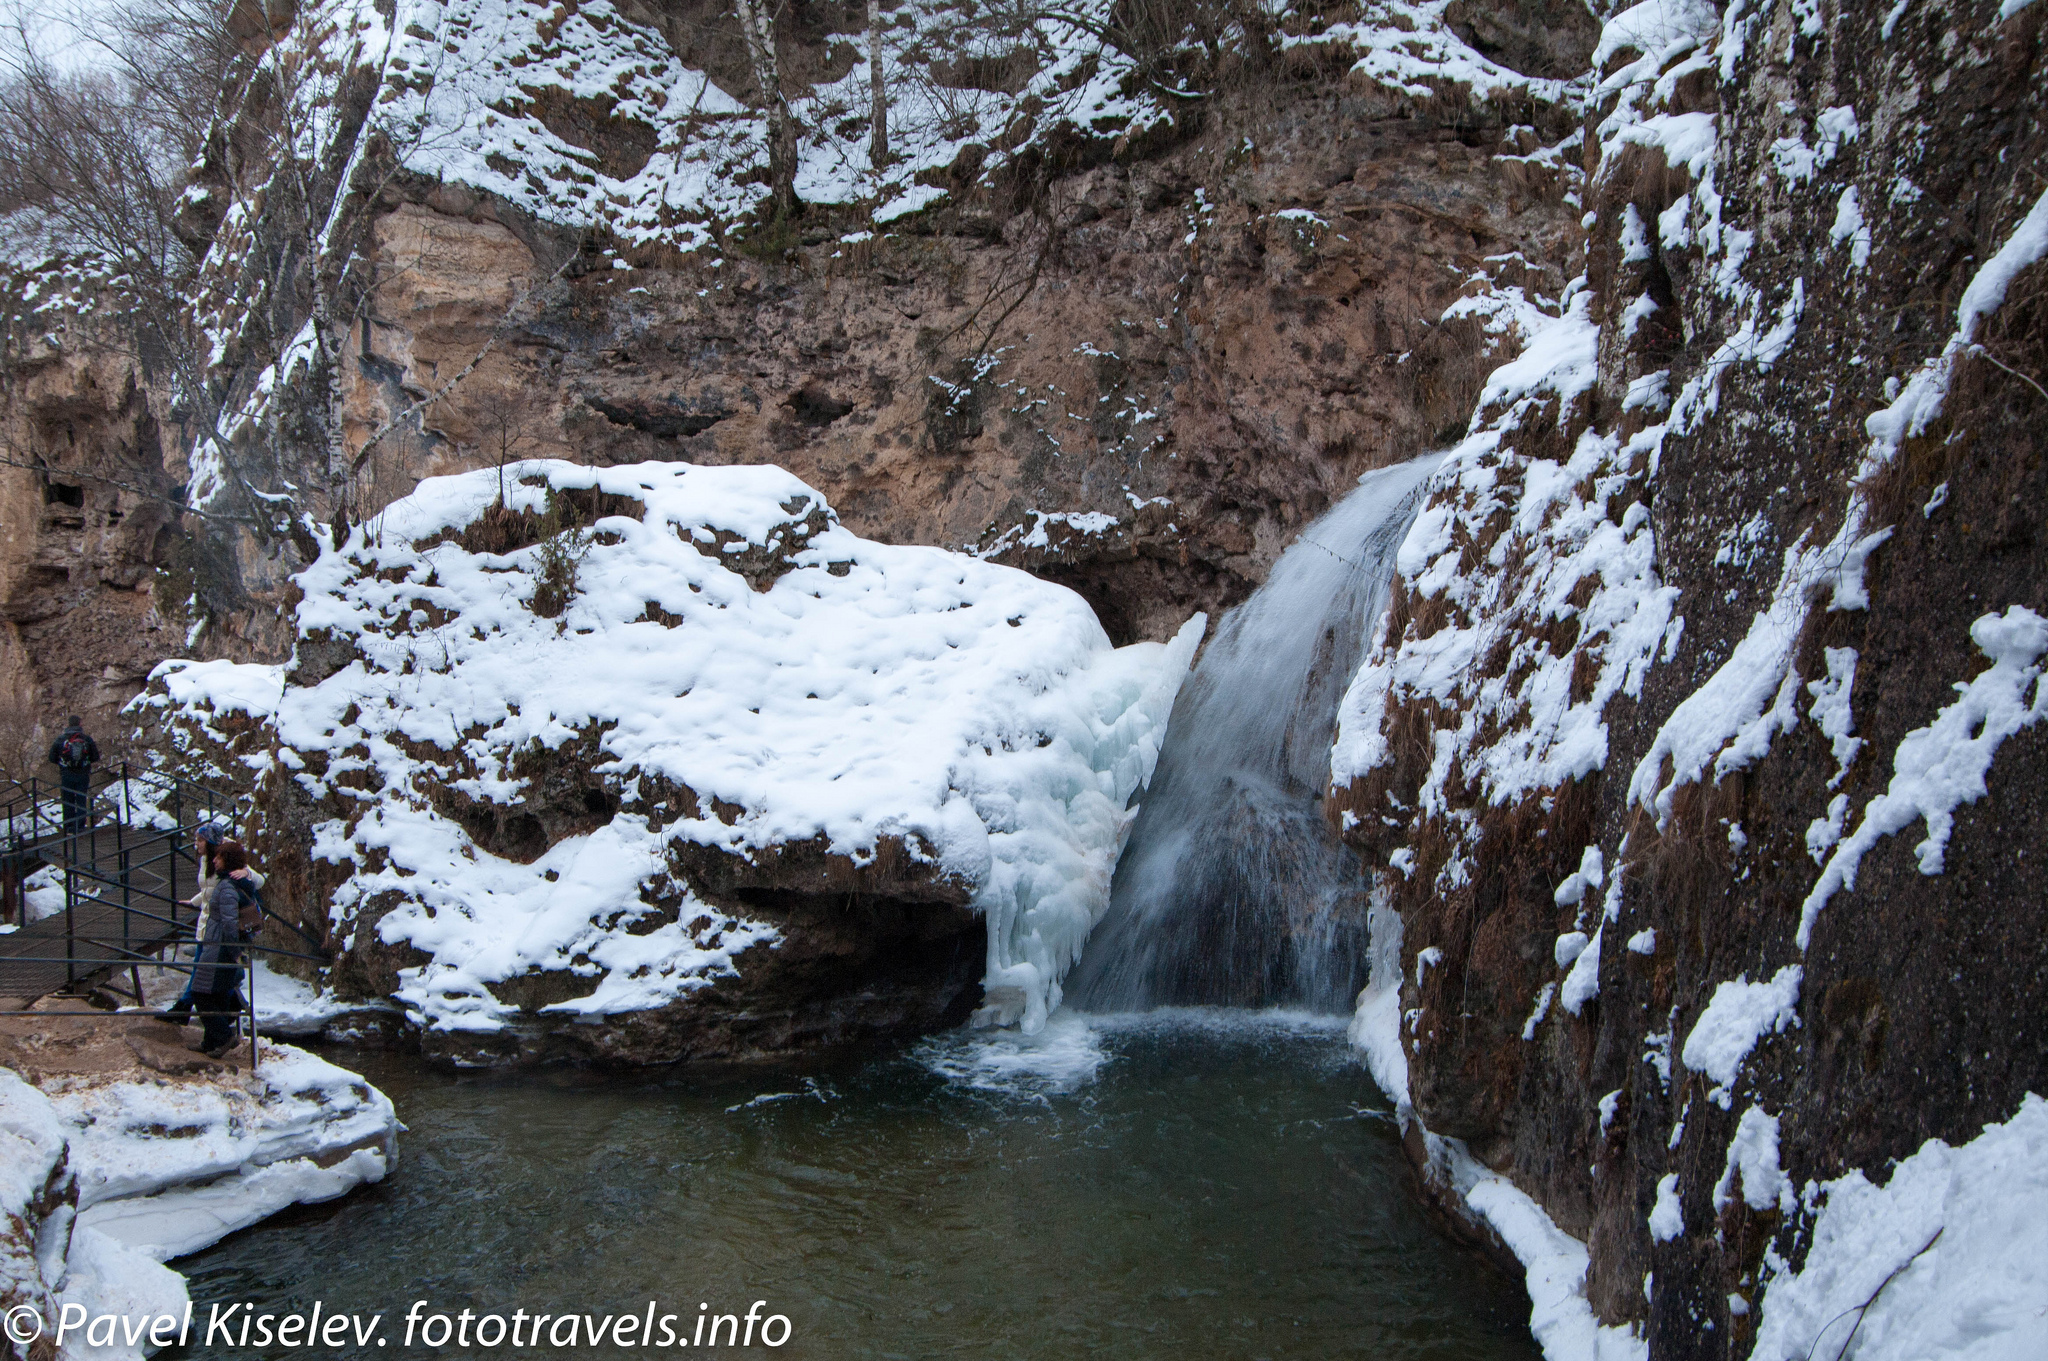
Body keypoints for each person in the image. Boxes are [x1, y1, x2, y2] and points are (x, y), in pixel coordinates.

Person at [160, 820, 262, 1025]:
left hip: (218, 928)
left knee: (203, 973)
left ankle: (183, 1010)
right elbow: (208, 889)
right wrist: (194, 901)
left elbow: (258, 882)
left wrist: (246, 873)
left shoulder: (227, 858)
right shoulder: (208, 860)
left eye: (199, 840)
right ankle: (229, 1004)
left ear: (210, 842)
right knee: (207, 972)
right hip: (206, 921)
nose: (196, 844)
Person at [192, 841, 262, 1057]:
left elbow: (230, 924)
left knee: (201, 993)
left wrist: (233, 952)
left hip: (219, 948)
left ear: (228, 861)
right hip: (221, 946)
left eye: (219, 857)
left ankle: (223, 1037)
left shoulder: (228, 887)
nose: (214, 860)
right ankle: (210, 1042)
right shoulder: (234, 883)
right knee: (219, 995)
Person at [47, 715, 99, 834]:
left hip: (66, 774)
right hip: (83, 774)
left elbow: (51, 757)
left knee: (67, 800)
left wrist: (63, 764)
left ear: (69, 724)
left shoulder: (60, 739)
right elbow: (95, 757)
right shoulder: (87, 739)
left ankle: (68, 827)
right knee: (81, 800)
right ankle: (79, 827)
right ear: (80, 724)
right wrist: (84, 763)